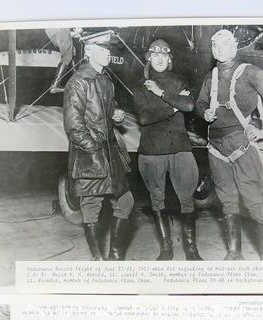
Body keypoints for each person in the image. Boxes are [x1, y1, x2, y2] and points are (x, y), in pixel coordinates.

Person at [195, 29, 263, 260]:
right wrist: (203, 112)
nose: (219, 49)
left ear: (234, 47)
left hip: (241, 145)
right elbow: (199, 104)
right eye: (215, 45)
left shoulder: (250, 73)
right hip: (215, 149)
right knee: (227, 201)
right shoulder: (211, 77)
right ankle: (234, 253)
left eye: (224, 44)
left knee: (253, 201)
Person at [63, 32, 134, 261]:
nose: (107, 53)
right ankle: (98, 260)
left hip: (110, 153)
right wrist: (94, 150)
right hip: (90, 155)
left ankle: (113, 256)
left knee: (126, 202)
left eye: (108, 49)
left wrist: (115, 115)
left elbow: (104, 113)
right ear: (88, 51)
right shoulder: (78, 82)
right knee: (91, 207)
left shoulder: (105, 80)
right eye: (101, 49)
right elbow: (73, 126)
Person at [133, 39, 202, 261]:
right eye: (155, 55)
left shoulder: (179, 80)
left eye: (164, 55)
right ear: (149, 58)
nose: (160, 58)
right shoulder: (141, 85)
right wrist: (174, 105)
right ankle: (166, 249)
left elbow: (190, 106)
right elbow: (144, 117)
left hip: (180, 148)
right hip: (151, 151)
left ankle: (191, 250)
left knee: (187, 199)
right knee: (157, 200)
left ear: (169, 58)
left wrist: (162, 95)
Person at [45, 28, 81, 94]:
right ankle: (55, 85)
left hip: (52, 30)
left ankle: (76, 79)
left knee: (72, 51)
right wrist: (78, 29)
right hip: (61, 29)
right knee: (67, 54)